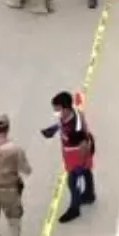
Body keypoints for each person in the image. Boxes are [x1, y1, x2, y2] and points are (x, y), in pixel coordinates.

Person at [41, 92, 96, 223]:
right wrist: (53, 129)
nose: (55, 113)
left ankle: (74, 209)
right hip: (72, 154)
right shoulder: (69, 114)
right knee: (87, 172)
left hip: (77, 156)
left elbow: (83, 145)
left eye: (57, 110)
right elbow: (62, 123)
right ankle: (89, 194)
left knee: (73, 182)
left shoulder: (75, 128)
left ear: (65, 108)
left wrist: (80, 164)